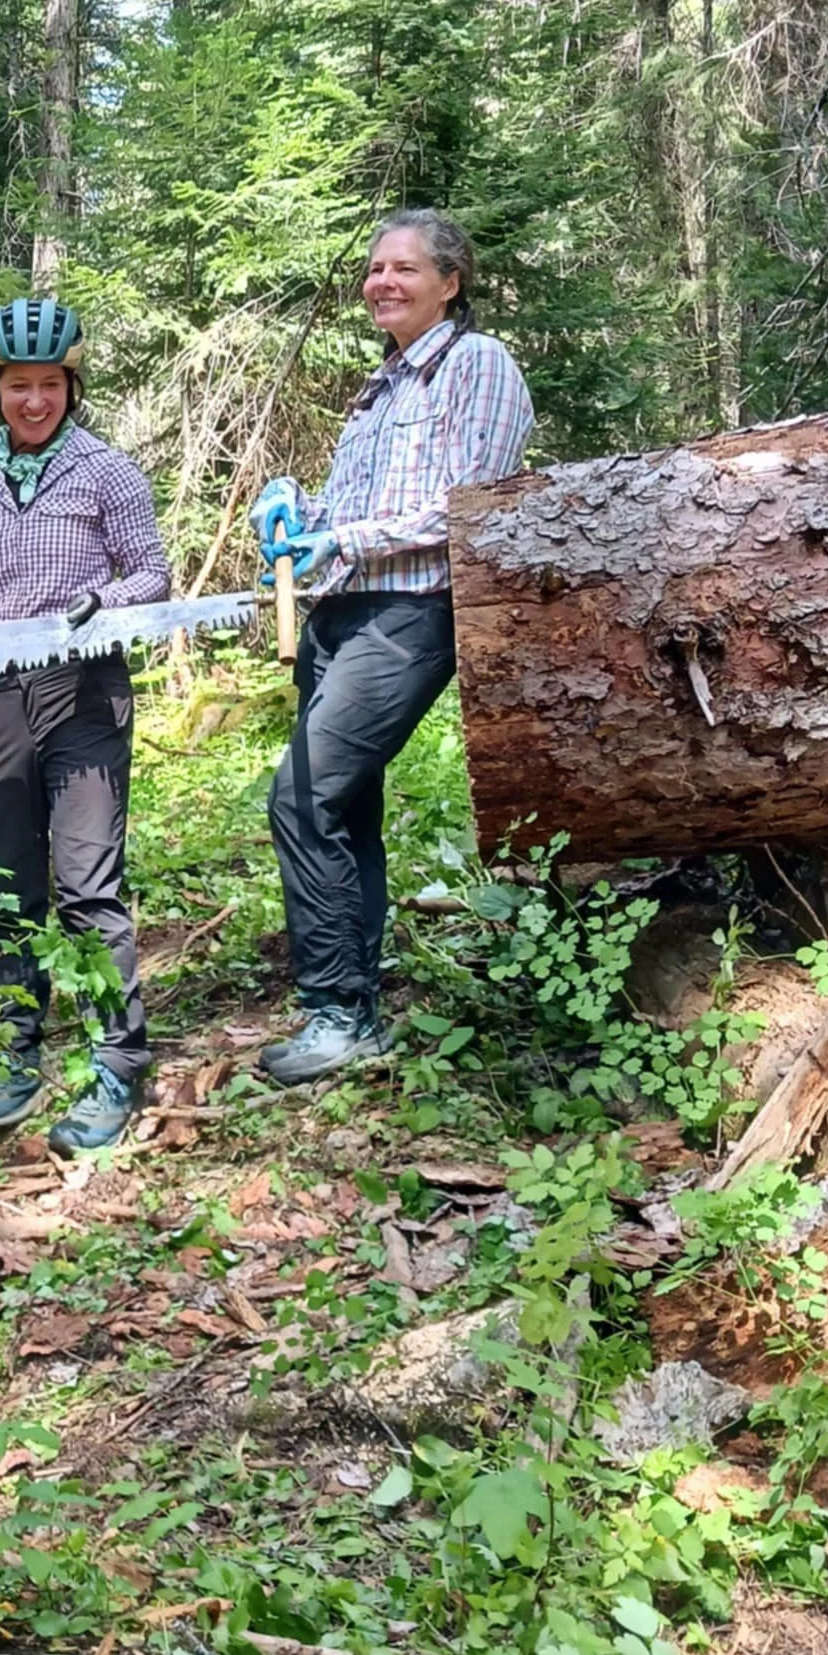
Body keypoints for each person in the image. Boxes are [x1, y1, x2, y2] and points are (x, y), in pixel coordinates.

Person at [250, 208, 534, 1084]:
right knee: (346, 807)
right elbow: (346, 516)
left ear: (451, 283)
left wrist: (352, 540)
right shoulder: (377, 392)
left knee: (300, 798)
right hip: (339, 615)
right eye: (374, 270)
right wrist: (300, 517)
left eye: (403, 269)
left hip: (410, 615)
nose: (381, 282)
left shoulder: (475, 365)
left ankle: (338, 1014)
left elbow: (469, 501)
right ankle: (356, 1001)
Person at [0, 296, 172, 1155]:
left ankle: (117, 1057)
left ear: (71, 387)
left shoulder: (109, 473)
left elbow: (151, 572)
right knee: (10, 884)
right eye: (17, 388)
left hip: (85, 689)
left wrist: (99, 603)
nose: (33, 402)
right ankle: (20, 1051)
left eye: (49, 386)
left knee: (85, 883)